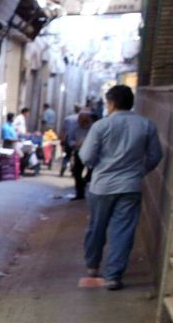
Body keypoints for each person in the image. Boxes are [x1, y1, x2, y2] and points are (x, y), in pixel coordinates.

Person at [79, 84, 163, 290]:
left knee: (96, 228)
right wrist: (139, 171)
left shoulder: (101, 126)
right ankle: (113, 277)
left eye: (107, 103)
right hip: (130, 186)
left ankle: (92, 266)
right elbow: (155, 156)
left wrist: (100, 166)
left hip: (101, 187)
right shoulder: (147, 125)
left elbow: (87, 157)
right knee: (123, 231)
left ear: (113, 103)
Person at [69, 111, 94, 199]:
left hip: (91, 153)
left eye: (83, 120)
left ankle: (85, 183)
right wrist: (76, 144)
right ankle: (79, 193)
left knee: (91, 173)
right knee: (77, 173)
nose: (81, 122)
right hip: (79, 152)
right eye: (80, 120)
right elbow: (70, 140)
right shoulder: (76, 129)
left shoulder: (93, 129)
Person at [59, 104, 81, 176]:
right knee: (76, 156)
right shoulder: (82, 119)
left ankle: (63, 167)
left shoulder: (68, 118)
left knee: (67, 155)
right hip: (78, 141)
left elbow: (63, 130)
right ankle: (73, 171)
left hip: (68, 139)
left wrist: (62, 140)